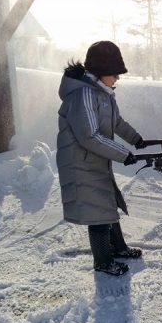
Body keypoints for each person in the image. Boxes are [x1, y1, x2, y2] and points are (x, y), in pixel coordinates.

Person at [56, 41, 148, 276]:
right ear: (100, 72)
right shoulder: (84, 95)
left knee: (106, 204)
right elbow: (89, 136)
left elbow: (116, 122)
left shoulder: (103, 94)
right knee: (97, 212)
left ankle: (118, 248)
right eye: (115, 73)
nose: (118, 77)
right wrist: (123, 154)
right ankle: (103, 261)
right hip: (81, 163)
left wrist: (137, 140)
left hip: (95, 159)